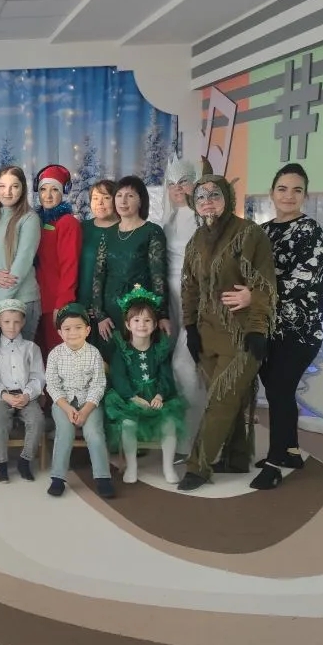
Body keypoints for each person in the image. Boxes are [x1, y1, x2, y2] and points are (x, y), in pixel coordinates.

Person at [224, 164, 323, 490]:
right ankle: (291, 451)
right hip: (267, 326)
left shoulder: (311, 232)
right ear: (271, 193)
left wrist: (252, 296)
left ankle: (273, 464)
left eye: (297, 190)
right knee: (276, 390)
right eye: (282, 189)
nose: (288, 195)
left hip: (300, 330)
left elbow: (299, 281)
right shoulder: (262, 231)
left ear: (305, 195)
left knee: (281, 390)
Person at [178, 173, 277, 492]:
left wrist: (258, 328)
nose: (207, 201)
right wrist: (190, 327)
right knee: (228, 399)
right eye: (201, 196)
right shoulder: (196, 240)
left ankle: (197, 467)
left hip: (241, 335)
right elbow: (189, 287)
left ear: (227, 198)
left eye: (214, 195)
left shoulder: (249, 234)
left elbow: (265, 285)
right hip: (207, 335)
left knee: (221, 400)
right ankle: (236, 458)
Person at [102, 286, 187, 485]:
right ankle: (132, 466)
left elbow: (166, 376)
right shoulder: (122, 350)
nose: (142, 325)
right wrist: (132, 397)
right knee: (128, 425)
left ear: (155, 324)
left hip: (156, 398)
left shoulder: (159, 349)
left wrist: (160, 395)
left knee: (169, 423)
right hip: (130, 399)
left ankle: (168, 466)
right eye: (136, 320)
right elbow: (119, 378)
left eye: (147, 320)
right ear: (128, 324)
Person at [92, 176, 170, 353]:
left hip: (140, 313)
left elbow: (158, 276)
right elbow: (99, 274)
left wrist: (162, 314)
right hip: (109, 315)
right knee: (110, 360)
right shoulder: (108, 234)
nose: (123, 201)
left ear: (141, 200)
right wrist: (100, 315)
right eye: (119, 195)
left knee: (138, 360)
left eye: (130, 196)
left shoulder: (152, 231)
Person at [157, 156, 204, 442]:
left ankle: (193, 436)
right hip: (170, 300)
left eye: (183, 182)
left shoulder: (202, 219)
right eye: (172, 183)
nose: (177, 188)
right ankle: (175, 431)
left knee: (184, 365)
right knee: (171, 364)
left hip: (194, 299)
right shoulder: (168, 219)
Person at [45, 303, 112, 499]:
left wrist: (85, 410)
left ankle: (103, 477)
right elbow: (52, 385)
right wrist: (67, 409)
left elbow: (98, 385)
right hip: (63, 403)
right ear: (60, 332)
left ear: (87, 330)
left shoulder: (94, 354)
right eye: (67, 329)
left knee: (94, 434)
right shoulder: (55, 354)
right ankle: (58, 478)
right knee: (64, 432)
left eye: (78, 327)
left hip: (89, 403)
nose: (73, 333)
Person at [0, 165, 42, 343]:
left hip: (20, 302)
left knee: (18, 359)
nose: (8, 192)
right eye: (2, 186)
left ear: (23, 189)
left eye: (14, 186)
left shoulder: (29, 219)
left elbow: (22, 263)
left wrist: (0, 303)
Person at [0, 298, 45, 483]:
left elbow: (38, 376)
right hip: (2, 396)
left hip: (26, 394)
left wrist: (27, 395)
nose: (11, 327)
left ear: (23, 322)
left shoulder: (31, 348)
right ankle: (1, 464)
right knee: (0, 421)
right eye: (6, 322)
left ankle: (25, 460)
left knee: (37, 419)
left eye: (16, 322)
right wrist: (4, 395)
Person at [34, 164, 83, 356]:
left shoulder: (67, 223)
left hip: (54, 302)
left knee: (56, 356)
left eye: (54, 190)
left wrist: (62, 304)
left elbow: (70, 266)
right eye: (43, 189)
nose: (48, 195)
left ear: (63, 192)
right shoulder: (36, 221)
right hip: (36, 300)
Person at [78, 180, 118, 354]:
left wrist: (102, 308)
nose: (100, 203)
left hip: (112, 309)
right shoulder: (81, 228)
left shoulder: (125, 229)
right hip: (82, 305)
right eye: (95, 198)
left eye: (106, 198)